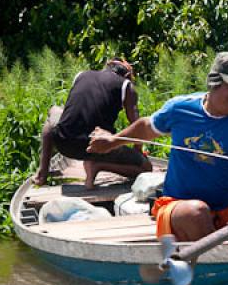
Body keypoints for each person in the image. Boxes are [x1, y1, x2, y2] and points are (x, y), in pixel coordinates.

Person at [88, 52, 228, 241]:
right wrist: (113, 142)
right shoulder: (181, 109)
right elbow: (147, 127)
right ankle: (216, 261)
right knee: (197, 212)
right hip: (178, 205)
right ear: (214, 82)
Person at [31, 58, 152, 189]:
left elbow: (71, 112)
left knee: (54, 112)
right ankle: (97, 165)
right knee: (146, 169)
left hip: (63, 142)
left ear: (106, 67)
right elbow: (137, 125)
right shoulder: (126, 85)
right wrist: (138, 152)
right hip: (96, 147)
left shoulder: (81, 75)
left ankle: (42, 174)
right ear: (128, 75)